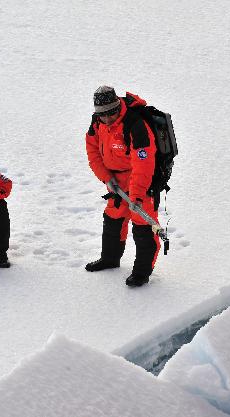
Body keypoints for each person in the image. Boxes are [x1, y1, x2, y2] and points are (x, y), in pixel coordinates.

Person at [84, 86, 160, 287]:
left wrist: (136, 195)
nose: (107, 119)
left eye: (111, 113)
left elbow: (143, 164)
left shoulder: (136, 126)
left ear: (118, 106)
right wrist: (106, 178)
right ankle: (110, 259)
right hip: (116, 183)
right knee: (112, 220)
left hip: (142, 183)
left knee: (143, 227)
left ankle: (141, 273)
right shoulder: (97, 122)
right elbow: (92, 151)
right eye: (102, 115)